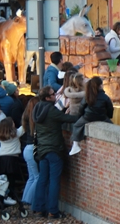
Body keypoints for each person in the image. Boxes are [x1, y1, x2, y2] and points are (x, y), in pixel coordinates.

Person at [31, 86, 78, 220]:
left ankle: (39, 209)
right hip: (54, 149)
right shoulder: (51, 110)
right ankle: (53, 211)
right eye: (53, 94)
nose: (55, 96)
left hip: (42, 150)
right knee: (54, 181)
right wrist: (82, 116)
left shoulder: (38, 108)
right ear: (47, 98)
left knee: (42, 179)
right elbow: (68, 119)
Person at [69, 76, 113, 156]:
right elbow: (110, 109)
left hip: (88, 117)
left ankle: (75, 145)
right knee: (113, 127)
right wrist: (108, 117)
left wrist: (80, 117)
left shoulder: (87, 95)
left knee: (76, 125)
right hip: (101, 117)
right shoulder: (105, 97)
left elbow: (81, 107)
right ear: (100, 86)